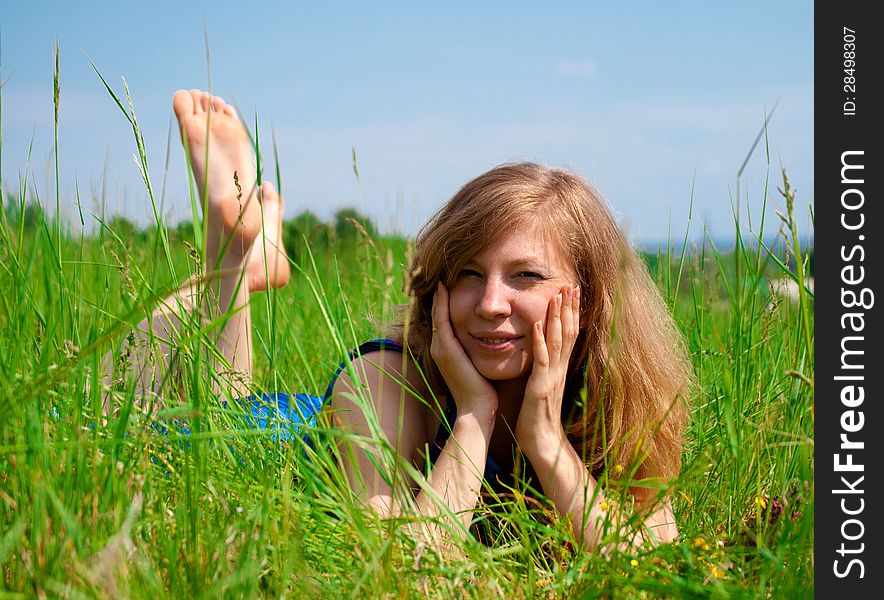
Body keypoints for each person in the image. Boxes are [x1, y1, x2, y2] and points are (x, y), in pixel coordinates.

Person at [118, 89, 692, 551]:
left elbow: (652, 557)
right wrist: (473, 415)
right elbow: (410, 565)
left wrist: (545, 439)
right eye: (468, 273)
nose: (491, 302)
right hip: (274, 437)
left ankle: (247, 261)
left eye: (526, 276)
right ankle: (231, 251)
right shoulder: (383, 380)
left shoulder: (624, 393)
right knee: (158, 415)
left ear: (588, 299)